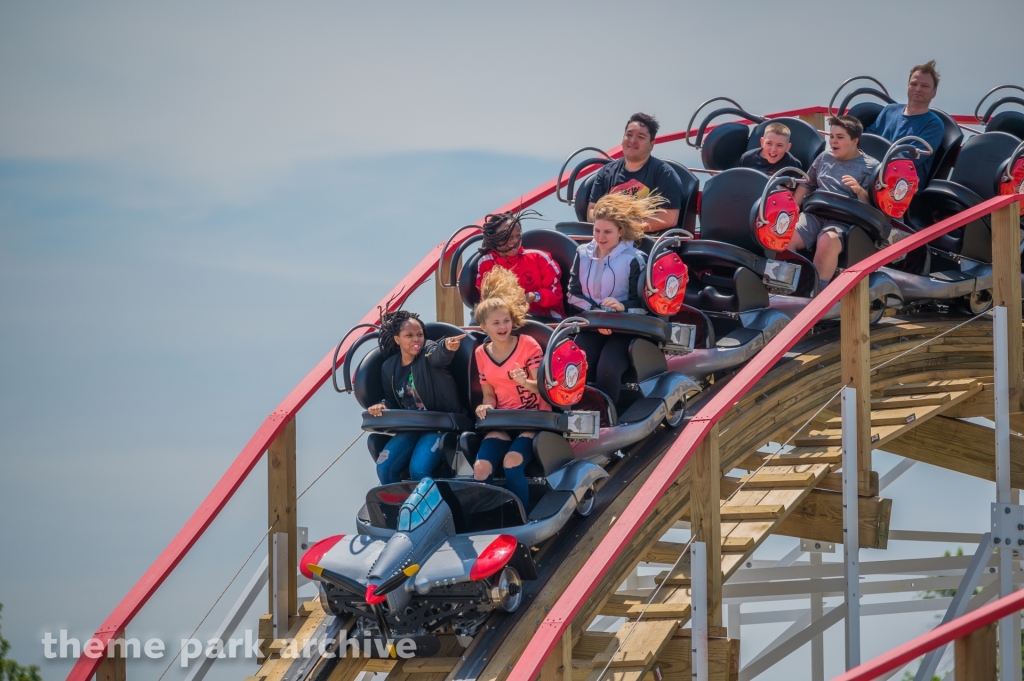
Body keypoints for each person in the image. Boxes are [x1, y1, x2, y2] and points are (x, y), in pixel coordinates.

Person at [568, 192, 655, 404]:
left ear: (621, 231)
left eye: (607, 232)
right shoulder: (582, 253)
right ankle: (576, 417)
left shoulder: (635, 259)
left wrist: (620, 308)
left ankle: (607, 419)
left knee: (608, 367)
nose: (600, 237)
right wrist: (599, 315)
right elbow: (572, 294)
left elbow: (643, 305)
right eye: (596, 230)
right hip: (592, 323)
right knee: (577, 364)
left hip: (624, 328)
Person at [472, 267, 548, 508]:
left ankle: (521, 517)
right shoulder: (480, 353)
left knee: (512, 461)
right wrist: (486, 406)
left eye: (506, 321)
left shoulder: (528, 344)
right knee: (481, 466)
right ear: (484, 327)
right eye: (496, 323)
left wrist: (524, 382)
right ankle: (487, 519)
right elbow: (489, 393)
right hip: (504, 420)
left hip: (534, 419)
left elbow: (541, 388)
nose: (503, 326)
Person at [366, 309, 466, 485]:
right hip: (412, 427)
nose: (416, 339)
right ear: (397, 339)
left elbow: (438, 356)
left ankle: (429, 510)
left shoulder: (428, 350)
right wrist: (382, 405)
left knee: (418, 469)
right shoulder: (389, 367)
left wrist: (446, 347)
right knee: (384, 467)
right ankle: (399, 509)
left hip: (439, 424)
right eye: (409, 335)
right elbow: (393, 400)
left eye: (419, 334)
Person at [789, 115, 879, 288]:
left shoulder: (871, 167)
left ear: (855, 141)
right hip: (816, 212)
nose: (833, 142)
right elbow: (808, 184)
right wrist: (792, 211)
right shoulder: (824, 158)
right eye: (831, 136)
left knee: (827, 240)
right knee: (787, 234)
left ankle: (818, 293)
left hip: (845, 218)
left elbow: (872, 208)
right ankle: (786, 286)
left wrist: (859, 191)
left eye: (840, 137)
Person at [586, 113, 684, 233]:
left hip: (647, 244)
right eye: (629, 135)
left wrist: (626, 228)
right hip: (608, 242)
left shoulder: (664, 173)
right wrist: (609, 228)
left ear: (652, 144)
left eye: (641, 137)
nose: (633, 140)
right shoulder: (606, 172)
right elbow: (592, 210)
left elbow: (670, 218)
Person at [475, 210, 565, 319]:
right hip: (502, 324)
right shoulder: (486, 262)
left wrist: (533, 296)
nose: (515, 240)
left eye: (518, 235)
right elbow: (485, 301)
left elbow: (556, 298)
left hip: (543, 322)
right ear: (494, 239)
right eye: (507, 236)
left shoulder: (539, 258)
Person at [866, 60, 945, 179]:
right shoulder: (889, 110)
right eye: (914, 84)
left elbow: (908, 160)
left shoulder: (934, 125)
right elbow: (866, 139)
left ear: (934, 93)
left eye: (924, 86)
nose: (918, 89)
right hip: (868, 172)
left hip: (899, 184)